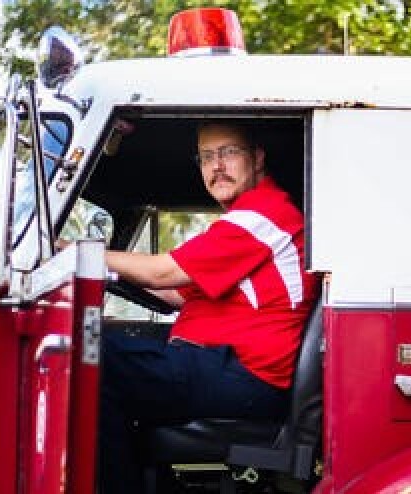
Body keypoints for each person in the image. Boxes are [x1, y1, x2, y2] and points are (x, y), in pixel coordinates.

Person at [98, 121, 319, 492]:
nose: (217, 166)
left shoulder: (261, 218)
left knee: (92, 360)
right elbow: (172, 293)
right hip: (221, 365)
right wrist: (115, 276)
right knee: (105, 356)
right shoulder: (245, 221)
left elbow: (161, 272)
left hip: (244, 374)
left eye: (229, 152)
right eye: (206, 157)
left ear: (257, 158)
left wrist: (80, 255)